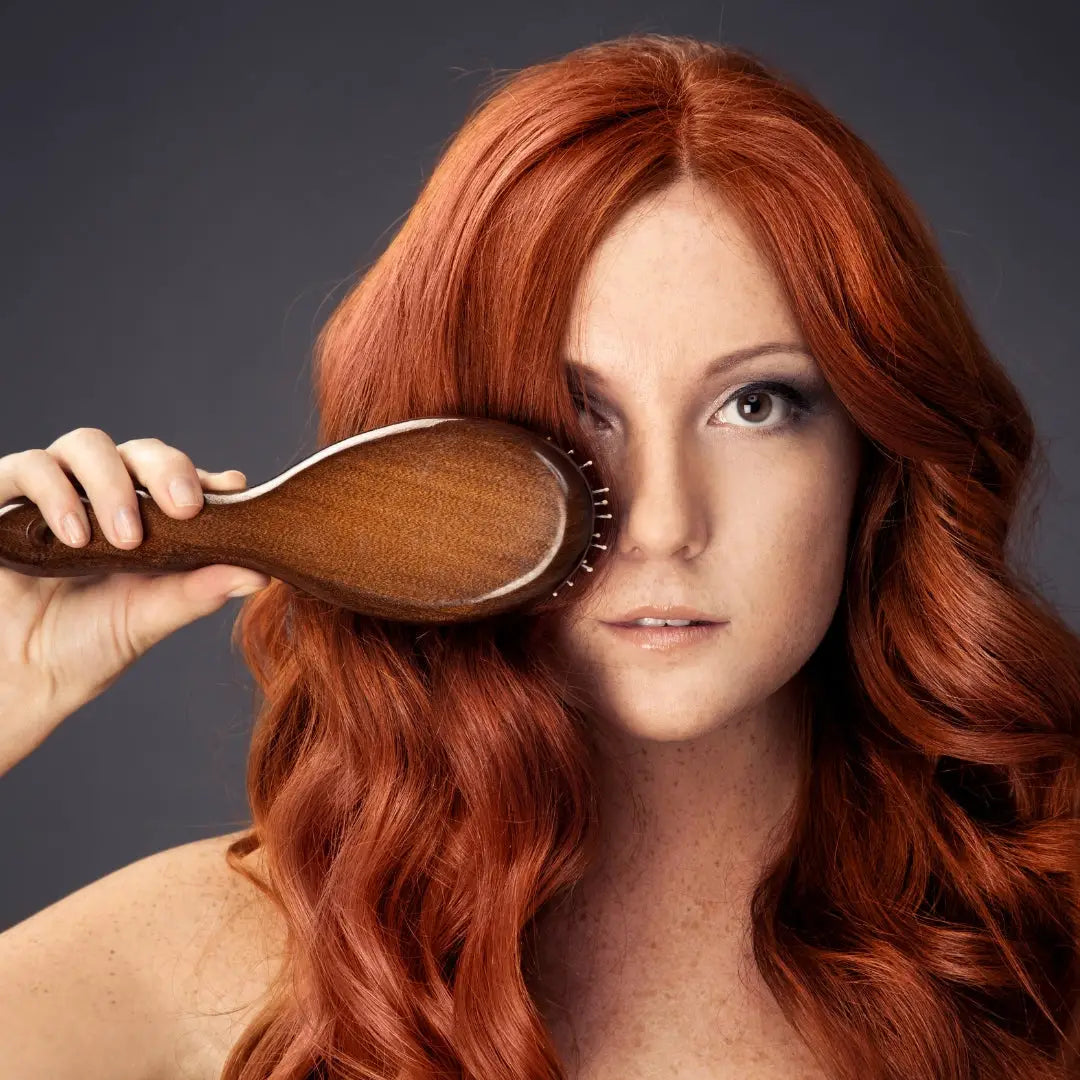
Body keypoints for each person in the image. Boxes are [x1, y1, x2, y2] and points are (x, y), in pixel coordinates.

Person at [1, 32, 1077, 1080]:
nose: (662, 524)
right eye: (575, 412)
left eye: (757, 404)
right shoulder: (200, 972)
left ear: (874, 460)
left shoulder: (1041, 946)